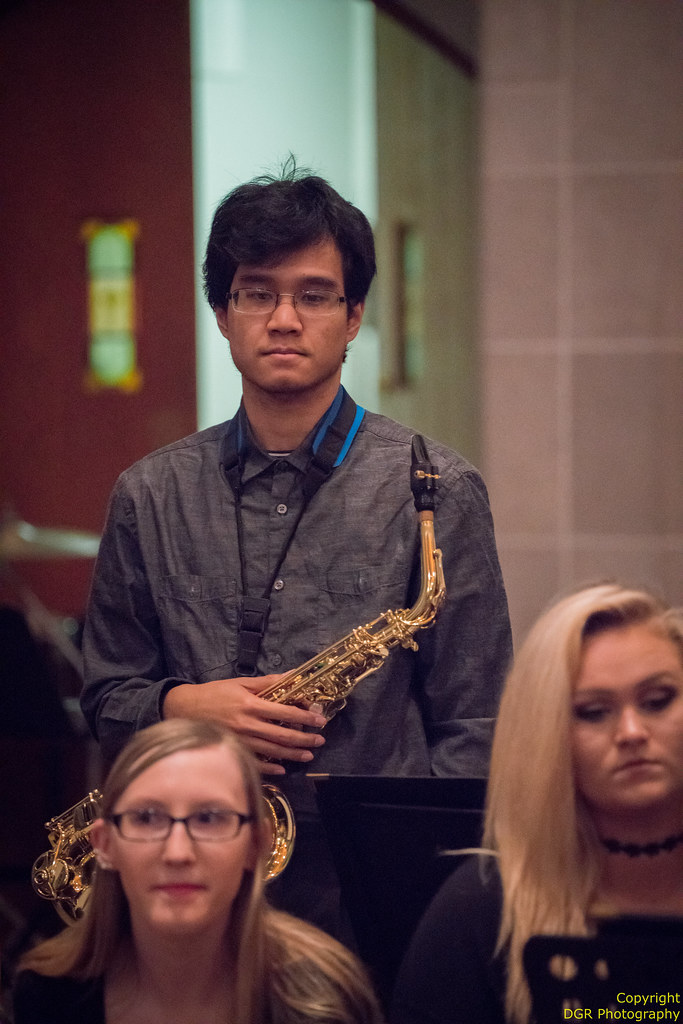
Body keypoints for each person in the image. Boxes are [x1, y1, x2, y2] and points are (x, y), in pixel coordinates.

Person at [79, 159, 512, 932]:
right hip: (196, 877)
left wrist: (428, 885)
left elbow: (475, 727)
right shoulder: (147, 493)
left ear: (352, 316)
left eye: (314, 296)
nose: (284, 319)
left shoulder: (438, 487)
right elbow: (107, 695)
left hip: (374, 886)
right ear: (223, 312)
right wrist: (186, 705)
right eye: (257, 294)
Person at [390, 582, 683, 1024]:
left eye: (657, 701)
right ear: (549, 735)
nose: (631, 732)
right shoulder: (480, 909)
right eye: (593, 711)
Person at [13, 718, 385, 1024]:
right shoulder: (46, 995)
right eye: (146, 818)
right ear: (105, 846)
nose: (177, 853)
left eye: (209, 818)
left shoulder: (323, 1001)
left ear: (258, 845)